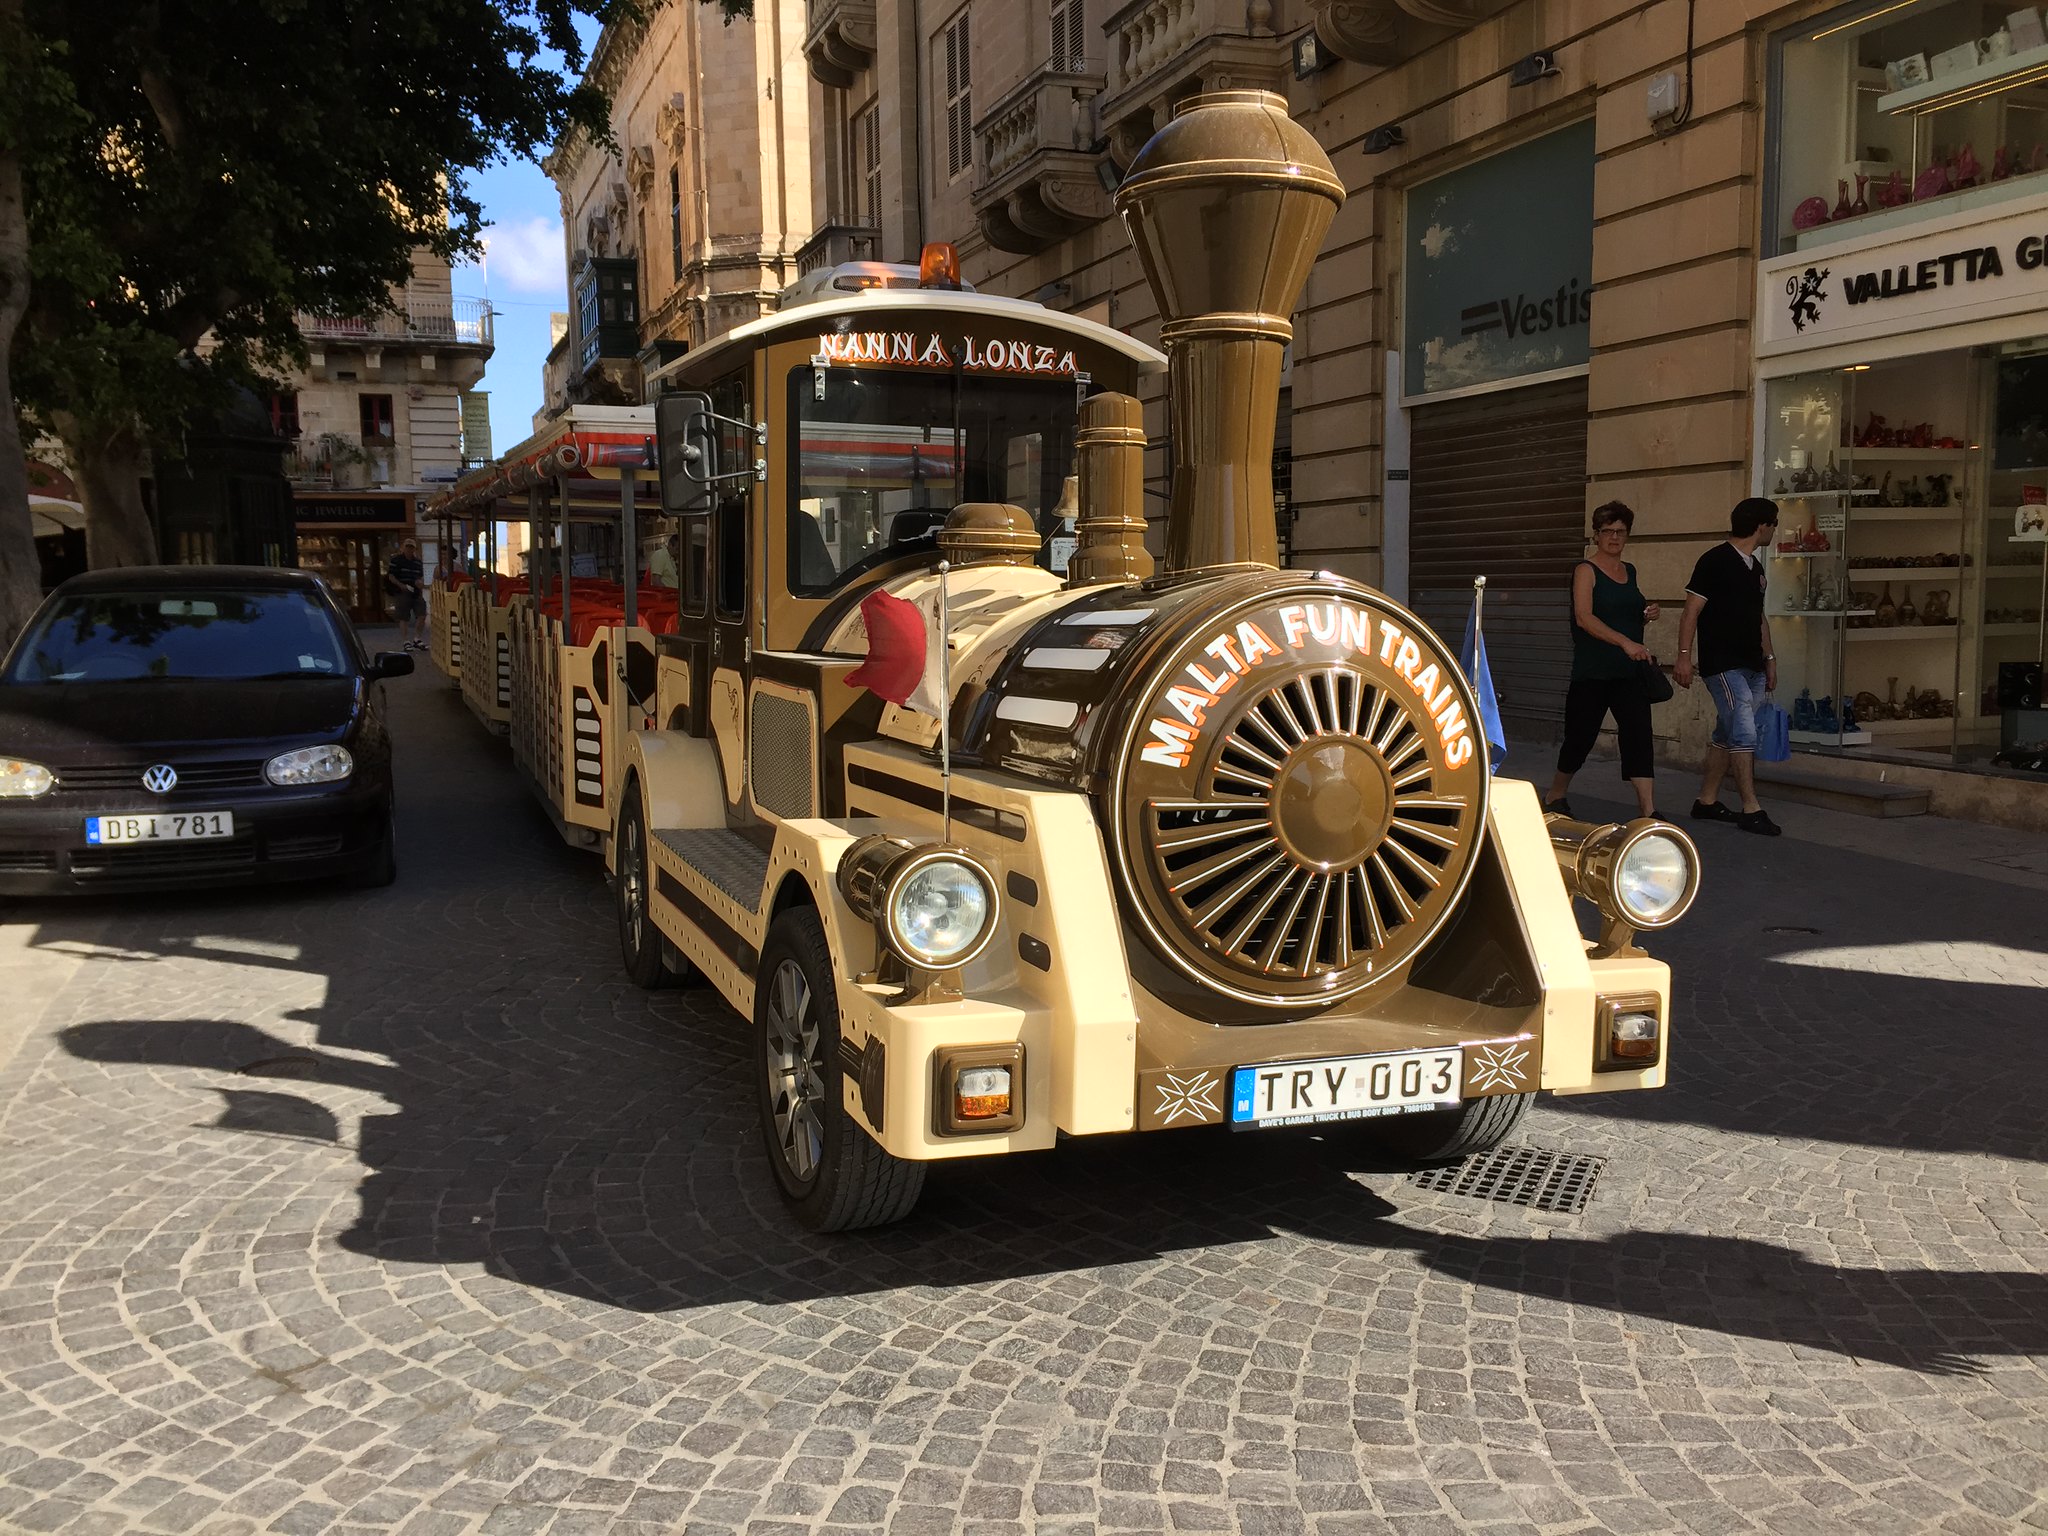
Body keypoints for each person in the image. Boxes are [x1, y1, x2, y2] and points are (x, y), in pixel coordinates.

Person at [1546, 501, 1661, 820]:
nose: (1614, 537)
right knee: (1579, 738)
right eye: (1607, 531)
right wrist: (1624, 641)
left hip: (1628, 672)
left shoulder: (1631, 571)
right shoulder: (1585, 570)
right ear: (1596, 535)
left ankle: (1648, 810)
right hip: (1593, 672)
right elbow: (1584, 617)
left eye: (1620, 531)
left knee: (1639, 736)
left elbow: (1624, 612)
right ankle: (1556, 793)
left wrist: (1645, 615)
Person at [1676, 497, 1781, 836]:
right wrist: (1683, 655)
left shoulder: (1757, 568)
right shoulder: (1714, 561)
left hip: (1751, 661)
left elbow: (1758, 617)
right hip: (1722, 663)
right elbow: (1691, 611)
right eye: (1773, 524)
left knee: (1727, 730)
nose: (1774, 531)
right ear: (1761, 525)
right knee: (1743, 728)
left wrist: (1770, 658)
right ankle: (1751, 807)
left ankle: (1706, 800)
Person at [385, 537, 427, 652]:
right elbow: (391, 576)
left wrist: (420, 583)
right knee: (403, 616)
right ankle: (406, 641)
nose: (409, 550)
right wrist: (401, 585)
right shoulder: (396, 560)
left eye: (411, 547)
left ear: (414, 549)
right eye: (407, 547)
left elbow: (420, 576)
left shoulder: (418, 562)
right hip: (402, 591)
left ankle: (417, 639)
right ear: (403, 548)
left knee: (422, 614)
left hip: (415, 591)